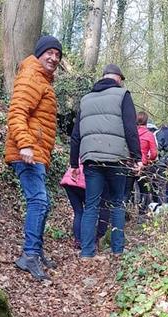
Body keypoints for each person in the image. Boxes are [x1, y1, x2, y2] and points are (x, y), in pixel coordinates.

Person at [5, 35, 62, 281]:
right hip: (27, 153)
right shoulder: (31, 76)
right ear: (39, 54)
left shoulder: (43, 80)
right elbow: (17, 112)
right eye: (49, 53)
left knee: (42, 203)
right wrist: (26, 145)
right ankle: (28, 255)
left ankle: (35, 252)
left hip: (36, 153)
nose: (54, 58)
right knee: (38, 202)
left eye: (58, 55)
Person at [69, 63, 142, 258]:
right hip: (117, 158)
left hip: (91, 158)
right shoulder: (123, 95)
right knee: (117, 202)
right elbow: (130, 128)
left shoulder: (85, 99)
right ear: (118, 78)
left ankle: (86, 252)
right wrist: (137, 157)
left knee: (91, 205)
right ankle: (117, 250)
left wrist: (74, 164)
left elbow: (76, 134)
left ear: (103, 77)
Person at [61, 163, 111, 249]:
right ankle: (94, 239)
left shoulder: (85, 152)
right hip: (84, 183)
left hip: (69, 181)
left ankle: (78, 241)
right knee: (90, 210)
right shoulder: (101, 162)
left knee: (78, 212)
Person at [135, 111, 159, 214]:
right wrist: (148, 160)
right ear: (146, 121)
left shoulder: (131, 134)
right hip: (143, 166)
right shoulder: (149, 135)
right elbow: (154, 153)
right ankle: (141, 213)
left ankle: (124, 213)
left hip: (130, 164)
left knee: (125, 191)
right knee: (144, 190)